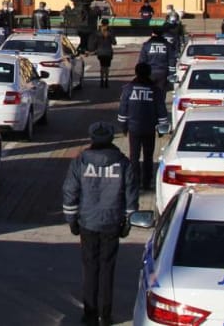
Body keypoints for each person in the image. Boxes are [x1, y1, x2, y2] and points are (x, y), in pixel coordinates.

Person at [62, 121, 138, 326]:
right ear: (112, 139)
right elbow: (131, 195)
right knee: (107, 269)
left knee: (90, 269)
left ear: (92, 138)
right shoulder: (123, 163)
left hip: (88, 222)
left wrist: (72, 220)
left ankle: (89, 313)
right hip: (112, 222)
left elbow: (70, 191)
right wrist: (128, 222)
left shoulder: (81, 162)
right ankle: (105, 315)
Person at [117, 62, 168, 190]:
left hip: (134, 129)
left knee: (134, 156)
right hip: (149, 128)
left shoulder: (128, 89)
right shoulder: (155, 91)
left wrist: (123, 127)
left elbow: (123, 110)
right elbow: (161, 111)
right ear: (149, 73)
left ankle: (135, 181)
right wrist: (162, 129)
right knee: (148, 156)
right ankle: (147, 181)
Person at [88, 19, 117, 88]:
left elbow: (94, 43)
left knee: (102, 66)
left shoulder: (97, 32)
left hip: (100, 52)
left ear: (101, 24)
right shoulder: (110, 32)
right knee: (106, 67)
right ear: (108, 24)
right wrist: (110, 37)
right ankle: (106, 80)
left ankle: (101, 80)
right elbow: (114, 43)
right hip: (108, 52)